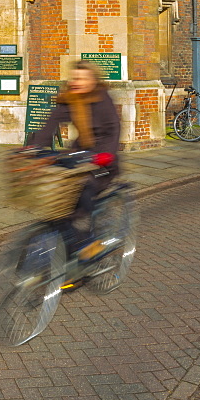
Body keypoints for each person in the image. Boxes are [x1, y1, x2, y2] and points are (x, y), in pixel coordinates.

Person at [29, 61, 120, 260]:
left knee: (81, 191)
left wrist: (106, 155)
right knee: (56, 194)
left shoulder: (102, 99)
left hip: (103, 160)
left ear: (93, 81)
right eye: (74, 77)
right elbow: (50, 124)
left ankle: (88, 243)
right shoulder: (70, 99)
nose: (76, 82)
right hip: (80, 155)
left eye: (82, 78)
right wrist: (32, 147)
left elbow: (113, 129)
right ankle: (72, 252)